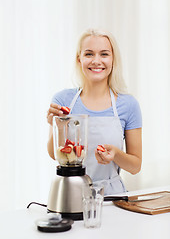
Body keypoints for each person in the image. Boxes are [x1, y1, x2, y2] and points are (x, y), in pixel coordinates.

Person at [47, 29, 142, 195]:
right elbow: (54, 155)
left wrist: (116, 154)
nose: (96, 61)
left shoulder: (129, 105)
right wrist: (57, 126)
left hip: (113, 196)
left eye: (104, 54)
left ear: (113, 60)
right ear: (79, 59)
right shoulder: (63, 101)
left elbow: (135, 167)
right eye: (89, 54)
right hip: (71, 193)